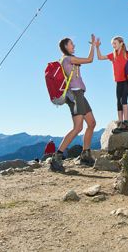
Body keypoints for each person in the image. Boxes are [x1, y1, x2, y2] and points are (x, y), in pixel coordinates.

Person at [50, 35, 97, 172]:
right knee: (78, 128)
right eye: (71, 44)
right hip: (75, 95)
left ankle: (85, 154)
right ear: (65, 46)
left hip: (80, 95)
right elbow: (89, 59)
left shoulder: (69, 59)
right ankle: (57, 158)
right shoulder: (67, 59)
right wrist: (92, 45)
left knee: (92, 123)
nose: (73, 45)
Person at [96, 36, 128, 132]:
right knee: (118, 101)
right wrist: (97, 47)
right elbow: (100, 57)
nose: (113, 45)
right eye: (112, 44)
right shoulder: (113, 55)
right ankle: (120, 123)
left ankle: (126, 122)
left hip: (126, 80)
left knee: (124, 99)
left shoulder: (127, 54)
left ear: (121, 43)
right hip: (118, 81)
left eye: (115, 43)